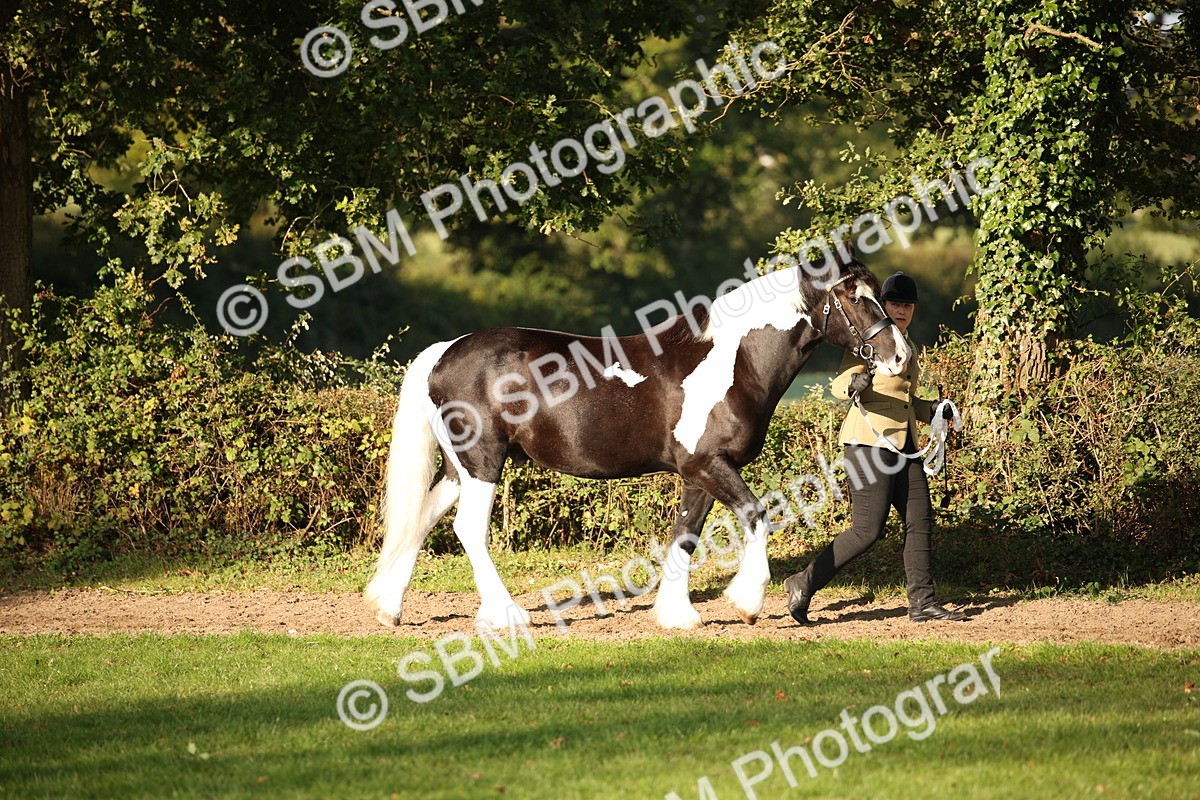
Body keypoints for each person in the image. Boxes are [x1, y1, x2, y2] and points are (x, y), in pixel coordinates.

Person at [784, 271, 965, 624]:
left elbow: (905, 402)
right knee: (867, 531)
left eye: (907, 306)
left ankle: (922, 603)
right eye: (895, 304)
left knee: (919, 519)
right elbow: (838, 385)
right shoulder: (869, 340)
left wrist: (933, 410)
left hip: (905, 446)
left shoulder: (907, 346)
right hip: (868, 445)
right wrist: (856, 382)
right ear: (883, 306)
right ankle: (803, 582)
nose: (902, 311)